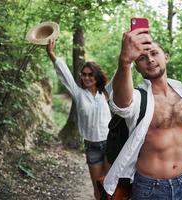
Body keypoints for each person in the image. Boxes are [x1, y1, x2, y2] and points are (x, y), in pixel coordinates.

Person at [103, 28, 182, 200]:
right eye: (142, 58)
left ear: (166, 56)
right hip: (150, 189)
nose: (150, 60)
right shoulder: (139, 98)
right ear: (137, 67)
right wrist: (125, 61)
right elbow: (121, 105)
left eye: (154, 53)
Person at [46, 40, 111, 200]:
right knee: (98, 189)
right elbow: (65, 75)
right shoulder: (79, 94)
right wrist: (51, 54)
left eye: (90, 74)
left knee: (110, 187)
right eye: (84, 74)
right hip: (92, 147)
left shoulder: (107, 93)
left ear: (96, 76)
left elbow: (120, 74)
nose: (86, 77)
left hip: (111, 145)